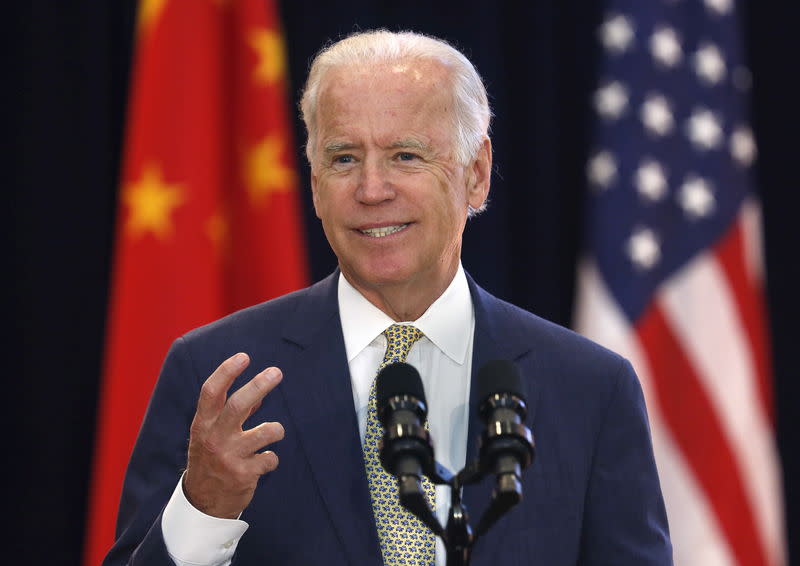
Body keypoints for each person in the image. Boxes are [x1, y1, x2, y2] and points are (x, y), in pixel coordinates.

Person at [103, 30, 672, 566]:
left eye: (406, 155)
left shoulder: (589, 389)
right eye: (344, 158)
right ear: (315, 182)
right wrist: (204, 509)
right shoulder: (219, 376)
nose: (372, 190)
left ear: (476, 173)